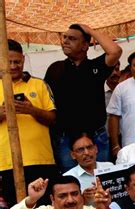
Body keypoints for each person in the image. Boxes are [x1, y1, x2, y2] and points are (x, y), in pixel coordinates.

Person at [44, 24, 122, 172]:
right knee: (71, 182)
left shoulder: (96, 67)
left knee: (101, 179)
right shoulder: (55, 68)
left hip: (96, 137)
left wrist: (90, 30)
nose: (65, 41)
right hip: (65, 138)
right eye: (64, 37)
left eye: (72, 38)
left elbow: (115, 51)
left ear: (86, 45)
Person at [0, 39, 58, 208]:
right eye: (8, 62)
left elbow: (53, 119)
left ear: (23, 59)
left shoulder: (39, 84)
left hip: (41, 160)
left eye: (17, 62)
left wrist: (31, 110)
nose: (13, 66)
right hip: (6, 163)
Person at [64, 133, 114, 205]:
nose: (86, 153)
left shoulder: (110, 167)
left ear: (96, 149)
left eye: (89, 147)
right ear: (73, 155)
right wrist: (83, 199)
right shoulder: (68, 177)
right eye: (80, 150)